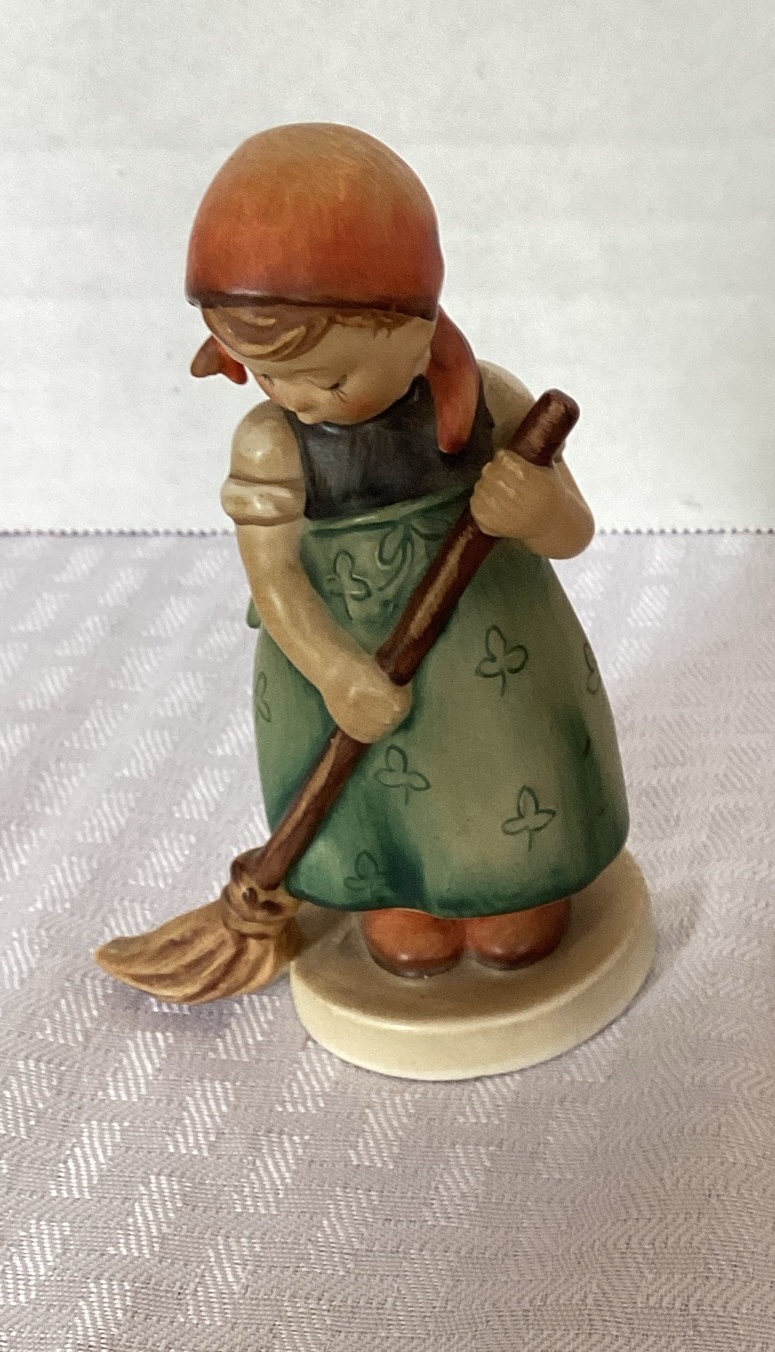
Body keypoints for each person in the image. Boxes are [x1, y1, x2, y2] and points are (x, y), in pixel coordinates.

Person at [186, 123, 629, 978]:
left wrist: (537, 508)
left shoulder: (492, 402)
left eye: (332, 377)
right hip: (343, 654)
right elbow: (274, 579)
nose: (302, 400)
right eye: (272, 377)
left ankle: (514, 886)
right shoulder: (272, 444)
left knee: (502, 760)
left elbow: (573, 533)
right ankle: (397, 890)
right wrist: (334, 672)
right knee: (378, 789)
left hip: (489, 648)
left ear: (416, 327)